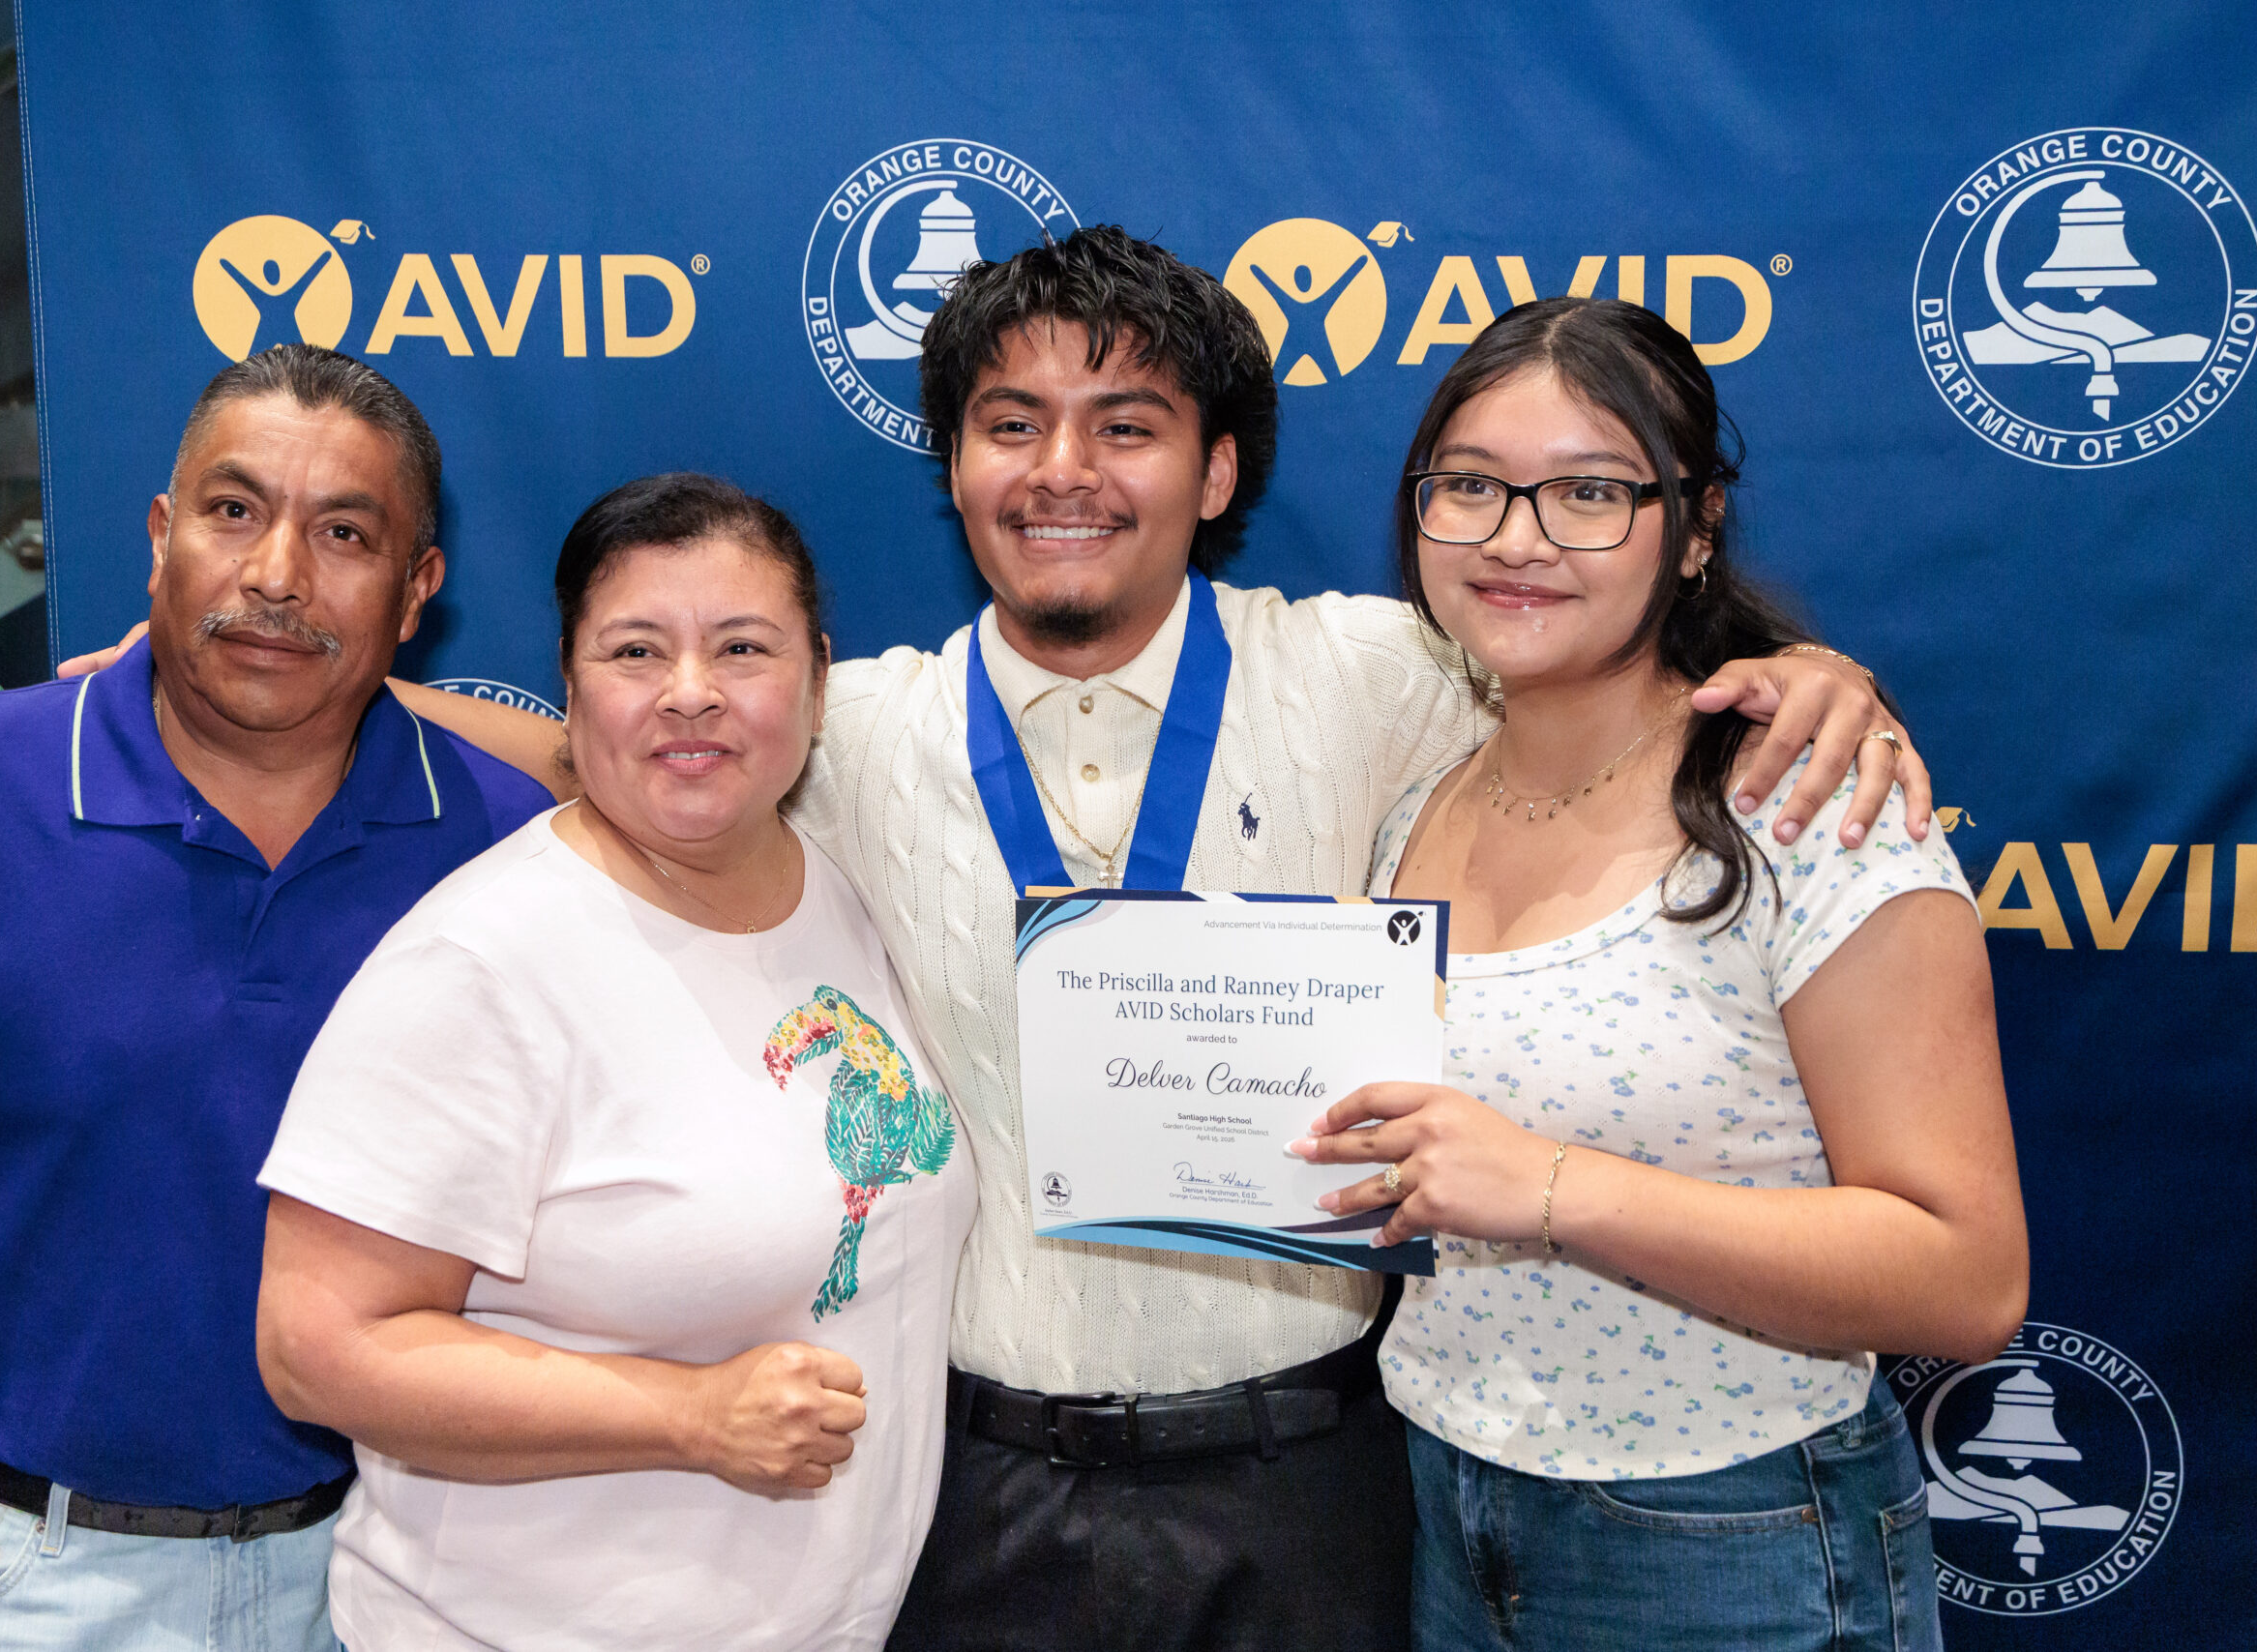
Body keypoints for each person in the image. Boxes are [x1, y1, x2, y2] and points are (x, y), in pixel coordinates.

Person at [387, 226, 1933, 1652]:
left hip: (1316, 1480)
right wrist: (298, 697)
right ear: (956, 468)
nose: (1065, 471)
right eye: (1011, 425)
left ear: (1215, 472)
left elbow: (1600, 650)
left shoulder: (1391, 675)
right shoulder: (844, 730)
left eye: (1126, 425)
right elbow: (604, 740)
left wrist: (1802, 672)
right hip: (971, 1492)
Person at [0, 344, 553, 1652]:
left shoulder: (503, 847)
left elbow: (674, 768)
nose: (275, 576)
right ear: (160, 535)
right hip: (18, 1582)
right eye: (233, 511)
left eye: (346, 535)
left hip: (393, 1577)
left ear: (417, 589)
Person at [1289, 297, 2028, 1650]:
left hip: (1733, 1538)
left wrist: (1555, 1188)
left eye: (1588, 492)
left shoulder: (1807, 813)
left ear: (1693, 528)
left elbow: (1964, 1277)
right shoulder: (1418, 799)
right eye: (1470, 486)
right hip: (1447, 1504)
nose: (1518, 538)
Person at [251, 474, 975, 1652]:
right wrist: (689, 1414)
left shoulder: (836, 885)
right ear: (573, 683)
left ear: (818, 677)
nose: (691, 694)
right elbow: (316, 1346)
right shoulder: (479, 961)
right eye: (636, 651)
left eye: (741, 647)